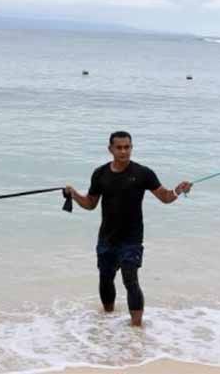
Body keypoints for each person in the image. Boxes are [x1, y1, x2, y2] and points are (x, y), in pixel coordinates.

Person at [65, 131, 192, 326]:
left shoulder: (143, 173)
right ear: (110, 149)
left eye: (127, 147)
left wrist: (178, 190)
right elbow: (91, 204)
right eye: (119, 147)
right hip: (107, 238)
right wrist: (73, 194)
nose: (124, 151)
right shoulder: (100, 174)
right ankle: (106, 321)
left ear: (131, 148)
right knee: (105, 279)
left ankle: (136, 330)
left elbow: (165, 197)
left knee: (130, 279)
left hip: (132, 239)